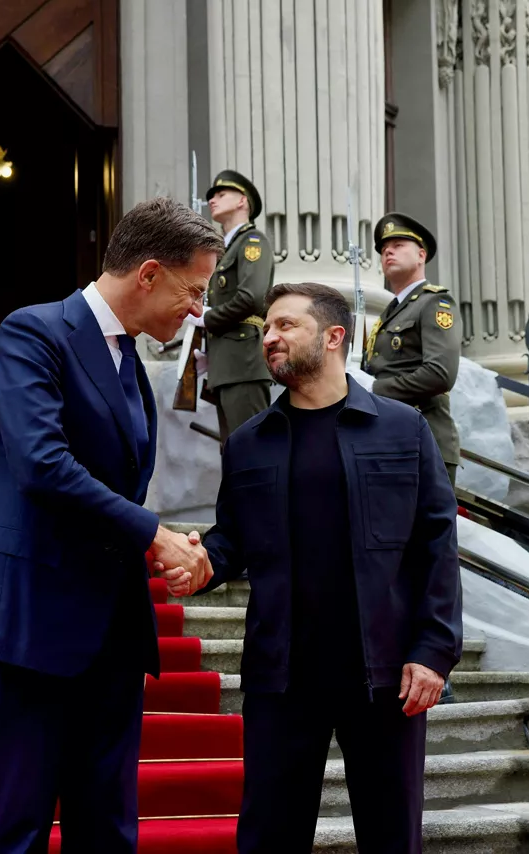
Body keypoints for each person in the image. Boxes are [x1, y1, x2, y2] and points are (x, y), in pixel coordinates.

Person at [0, 197, 221, 854]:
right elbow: (43, 465)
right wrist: (150, 531)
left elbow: (113, 485)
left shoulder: (130, 359)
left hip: (110, 634)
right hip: (29, 625)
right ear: (149, 273)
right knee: (15, 828)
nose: (198, 310)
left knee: (108, 830)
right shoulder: (32, 333)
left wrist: (168, 547)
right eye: (194, 290)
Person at [163, 281, 462, 854]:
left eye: (284, 326)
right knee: (270, 834)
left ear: (333, 337)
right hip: (282, 674)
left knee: (391, 834)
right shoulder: (249, 442)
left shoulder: (403, 429)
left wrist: (434, 651)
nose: (269, 339)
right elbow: (234, 539)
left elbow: (435, 544)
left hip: (384, 672)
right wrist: (203, 564)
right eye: (265, 329)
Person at [364, 213, 461, 486]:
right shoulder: (388, 315)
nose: (388, 251)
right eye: (384, 249)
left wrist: (374, 388)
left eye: (398, 245)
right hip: (387, 439)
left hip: (424, 441)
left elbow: (439, 374)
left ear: (421, 255)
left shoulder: (434, 303)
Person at [185, 169, 275, 441]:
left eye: (222, 194)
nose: (212, 200)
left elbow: (252, 297)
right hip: (228, 364)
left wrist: (208, 319)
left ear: (242, 201)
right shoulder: (224, 249)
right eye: (212, 196)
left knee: (251, 452)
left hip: (244, 364)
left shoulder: (252, 242)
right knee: (234, 454)